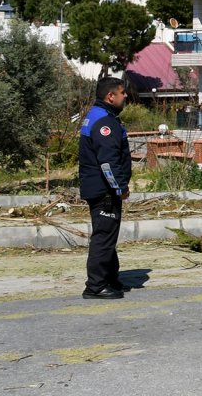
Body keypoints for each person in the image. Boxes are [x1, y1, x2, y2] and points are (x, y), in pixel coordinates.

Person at [78, 77, 132, 299]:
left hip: (101, 188)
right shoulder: (105, 123)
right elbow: (108, 161)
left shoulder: (99, 116)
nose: (125, 96)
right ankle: (96, 286)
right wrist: (119, 187)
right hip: (104, 191)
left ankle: (109, 278)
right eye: (122, 92)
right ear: (111, 96)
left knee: (108, 236)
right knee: (103, 237)